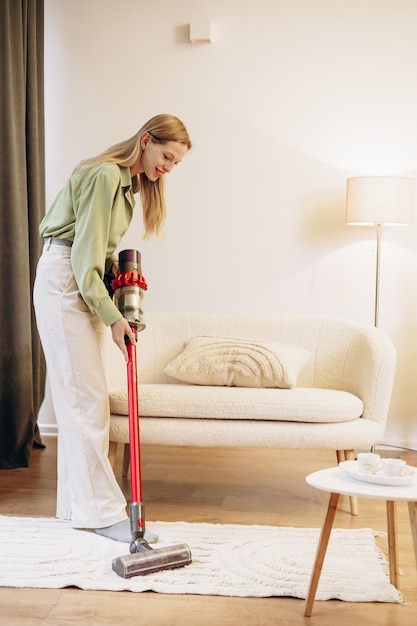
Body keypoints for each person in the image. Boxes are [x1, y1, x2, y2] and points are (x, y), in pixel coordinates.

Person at [33, 114, 192, 542]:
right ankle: (103, 514)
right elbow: (84, 258)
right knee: (86, 404)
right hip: (67, 281)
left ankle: (74, 509)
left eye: (176, 164)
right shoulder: (106, 175)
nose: (168, 168)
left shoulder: (128, 186)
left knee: (78, 401)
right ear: (145, 141)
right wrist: (114, 318)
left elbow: (97, 259)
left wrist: (122, 293)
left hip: (75, 281)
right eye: (166, 156)